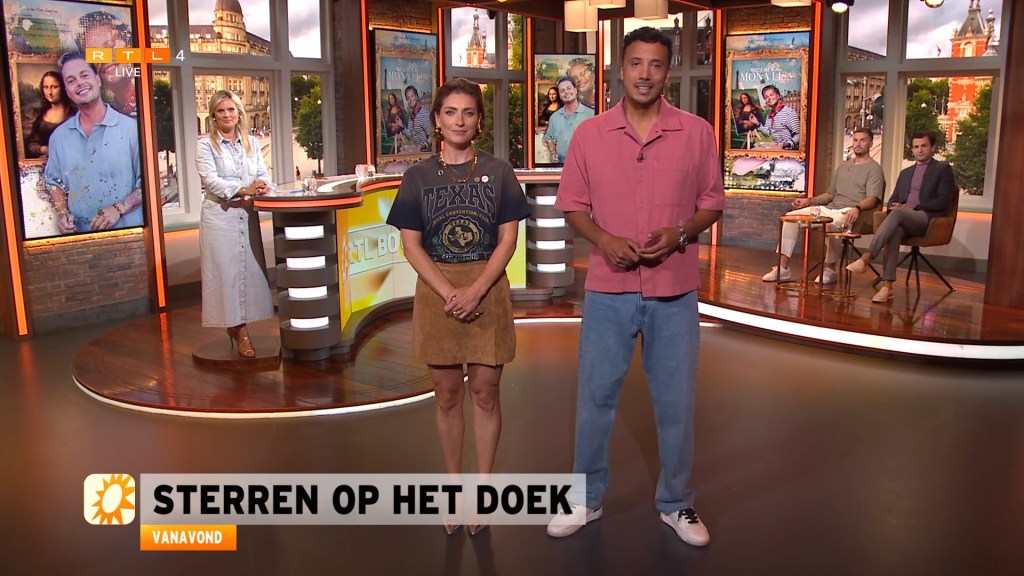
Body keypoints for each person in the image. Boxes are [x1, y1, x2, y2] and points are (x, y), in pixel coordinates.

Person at [546, 27, 724, 546]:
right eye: (636, 63)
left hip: (674, 290)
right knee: (594, 400)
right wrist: (604, 239)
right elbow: (572, 205)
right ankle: (585, 498)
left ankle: (676, 502)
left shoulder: (697, 133)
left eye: (655, 64)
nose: (645, 74)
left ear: (667, 72)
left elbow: (712, 202)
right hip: (608, 290)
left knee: (676, 404)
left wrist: (682, 233)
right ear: (620, 70)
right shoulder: (589, 134)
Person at [385, 78, 530, 537]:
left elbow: (508, 239)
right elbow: (411, 245)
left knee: (485, 394)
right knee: (446, 396)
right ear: (436, 120)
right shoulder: (417, 177)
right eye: (450, 112)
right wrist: (450, 291)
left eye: (468, 112)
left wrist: (476, 289)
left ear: (479, 121)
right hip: (437, 293)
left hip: (487, 290)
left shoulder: (500, 171)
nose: (459, 121)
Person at [195, 90, 275, 358]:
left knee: (247, 273)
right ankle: (240, 333)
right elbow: (211, 181)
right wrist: (243, 188)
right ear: (213, 116)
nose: (227, 115)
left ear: (239, 113)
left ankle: (239, 326)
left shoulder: (251, 142)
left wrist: (263, 185)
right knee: (227, 274)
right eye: (221, 111)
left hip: (246, 215)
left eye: (231, 110)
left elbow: (262, 173)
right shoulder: (205, 145)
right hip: (220, 216)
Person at [761, 127, 885, 284]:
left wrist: (857, 208)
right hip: (831, 208)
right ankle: (783, 268)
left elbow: (873, 199)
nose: (858, 144)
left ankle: (830, 270)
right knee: (789, 218)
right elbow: (830, 194)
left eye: (863, 140)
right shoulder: (843, 167)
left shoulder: (874, 169)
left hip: (851, 211)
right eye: (855, 140)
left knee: (832, 224)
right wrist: (809, 201)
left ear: (870, 143)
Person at [846, 130, 956, 303]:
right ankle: (887, 287)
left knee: (898, 213)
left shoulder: (942, 169)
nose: (920, 150)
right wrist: (895, 206)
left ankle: (866, 257)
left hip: (927, 219)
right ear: (912, 149)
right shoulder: (906, 173)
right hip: (903, 219)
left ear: (933, 148)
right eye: (916, 147)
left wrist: (912, 208)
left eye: (924, 146)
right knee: (895, 230)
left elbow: (943, 201)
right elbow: (892, 200)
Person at [44, 51, 142, 234]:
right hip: (81, 240)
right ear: (67, 91)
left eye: (84, 75)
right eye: (71, 80)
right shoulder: (58, 137)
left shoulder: (131, 130)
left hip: (130, 237)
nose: (79, 83)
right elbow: (53, 182)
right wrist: (62, 213)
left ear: (97, 79)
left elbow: (148, 184)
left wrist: (118, 209)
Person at [76, 11, 136, 117]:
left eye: (109, 46)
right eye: (95, 53)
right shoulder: (112, 110)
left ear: (128, 45)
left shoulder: (149, 99)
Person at [543, 76, 595, 164]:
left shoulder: (591, 115)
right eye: (562, 91)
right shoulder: (554, 117)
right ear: (560, 95)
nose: (566, 92)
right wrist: (553, 152)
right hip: (562, 167)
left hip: (586, 166)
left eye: (568, 88)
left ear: (575, 90)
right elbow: (549, 138)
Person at [26, 71, 75, 159]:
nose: (49, 92)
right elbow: (32, 144)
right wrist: (43, 150)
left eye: (54, 87)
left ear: (63, 88)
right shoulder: (41, 117)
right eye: (46, 87)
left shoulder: (75, 115)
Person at [749, 84, 799, 150]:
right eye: (766, 97)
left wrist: (786, 145)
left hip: (788, 151)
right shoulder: (770, 115)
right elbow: (767, 134)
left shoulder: (789, 113)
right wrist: (757, 124)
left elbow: (799, 135)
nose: (769, 98)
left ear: (778, 96)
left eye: (771, 95)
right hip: (775, 149)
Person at [396, 85, 432, 152]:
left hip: (426, 154)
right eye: (408, 98)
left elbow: (432, 136)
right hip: (417, 153)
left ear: (417, 97)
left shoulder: (424, 114)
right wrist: (402, 126)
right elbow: (411, 135)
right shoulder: (411, 117)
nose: (410, 99)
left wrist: (423, 146)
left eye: (412, 96)